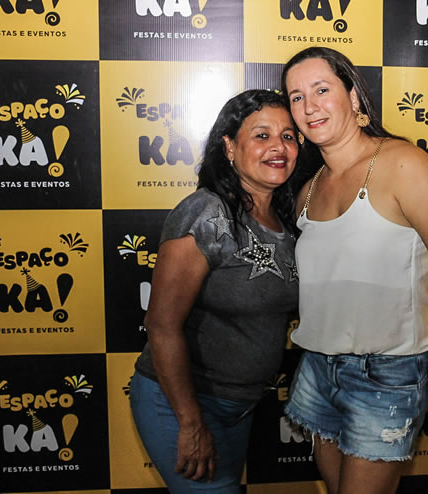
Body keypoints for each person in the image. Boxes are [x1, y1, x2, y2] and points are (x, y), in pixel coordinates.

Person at [281, 47, 428, 494]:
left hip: (387, 375)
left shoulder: (402, 164)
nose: (309, 106)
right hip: (316, 368)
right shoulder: (308, 190)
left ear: (353, 97)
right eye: (296, 97)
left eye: (321, 90)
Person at [129, 89, 300, 494]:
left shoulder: (286, 219)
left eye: (288, 136)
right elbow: (162, 325)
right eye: (262, 136)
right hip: (181, 403)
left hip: (240, 407)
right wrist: (190, 422)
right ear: (229, 147)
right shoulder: (206, 214)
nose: (278, 147)